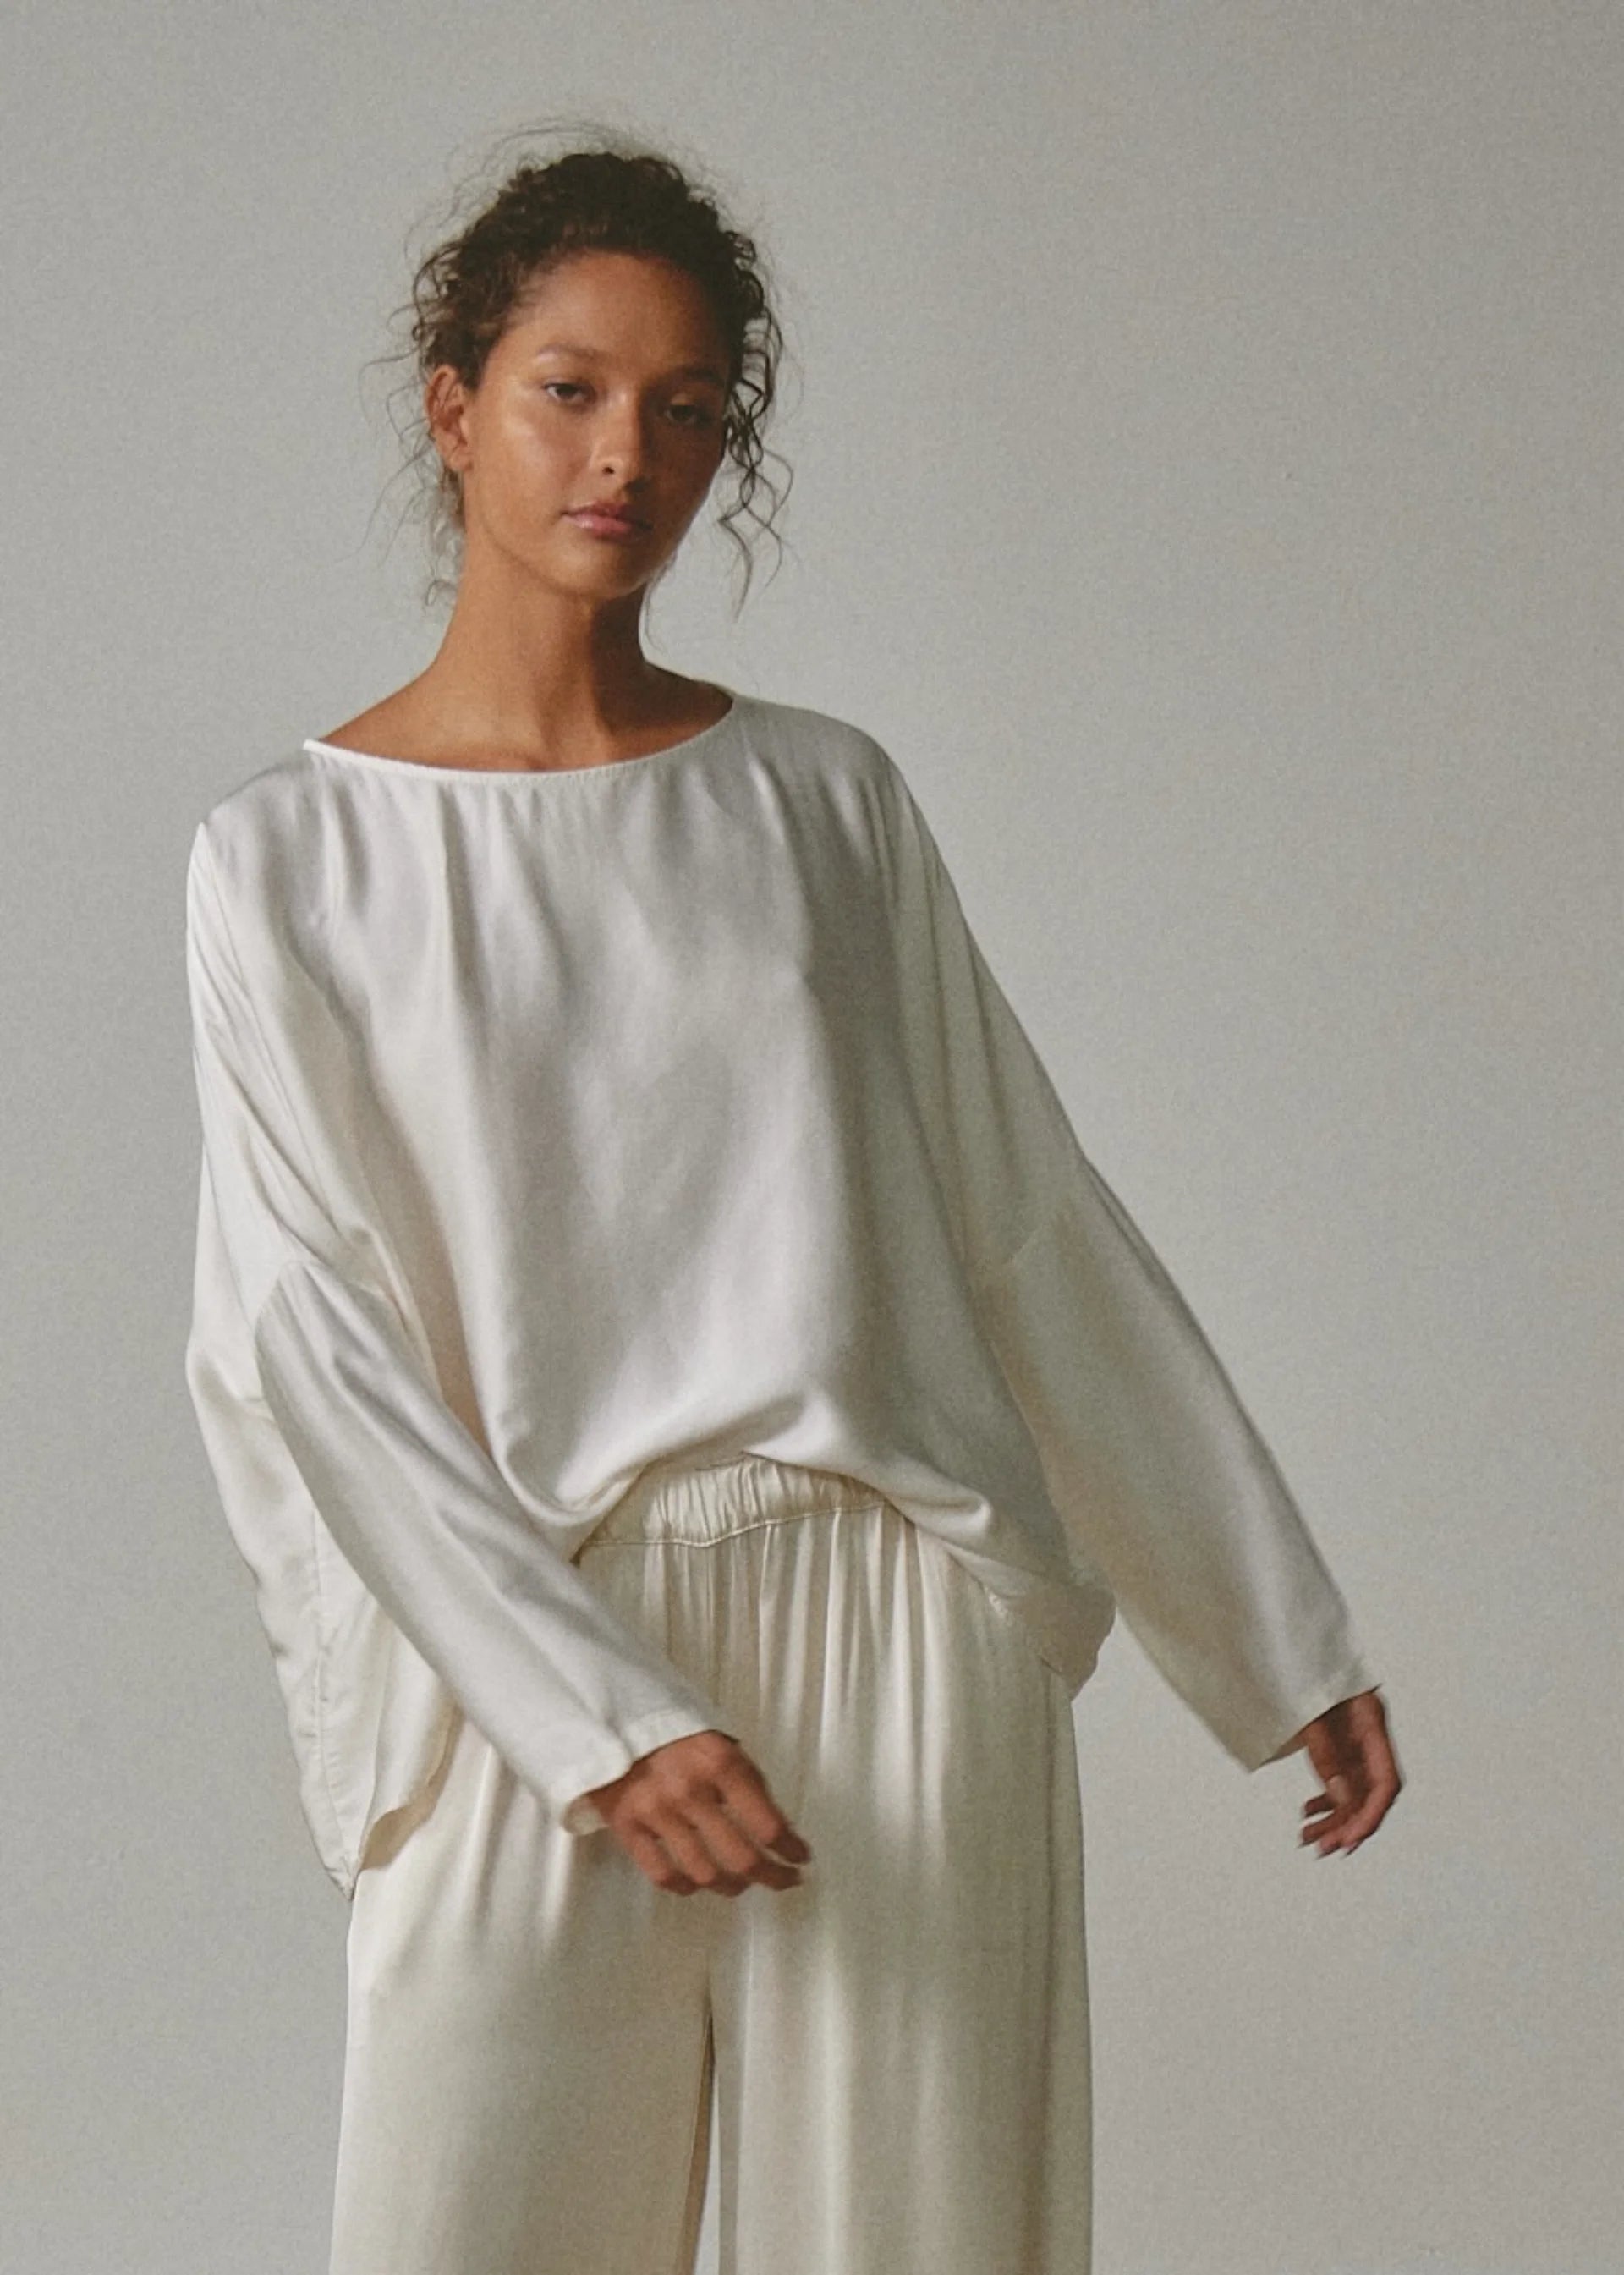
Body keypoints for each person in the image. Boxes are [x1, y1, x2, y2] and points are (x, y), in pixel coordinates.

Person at [183, 129, 1401, 2275]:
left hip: (895, 1608)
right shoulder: (289, 859)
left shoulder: (822, 800)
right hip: (528, 1618)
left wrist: (1262, 1617)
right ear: (454, 404)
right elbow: (310, 1341)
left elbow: (1024, 1216)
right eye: (569, 389)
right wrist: (589, 1713)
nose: (623, 455)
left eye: (684, 407)